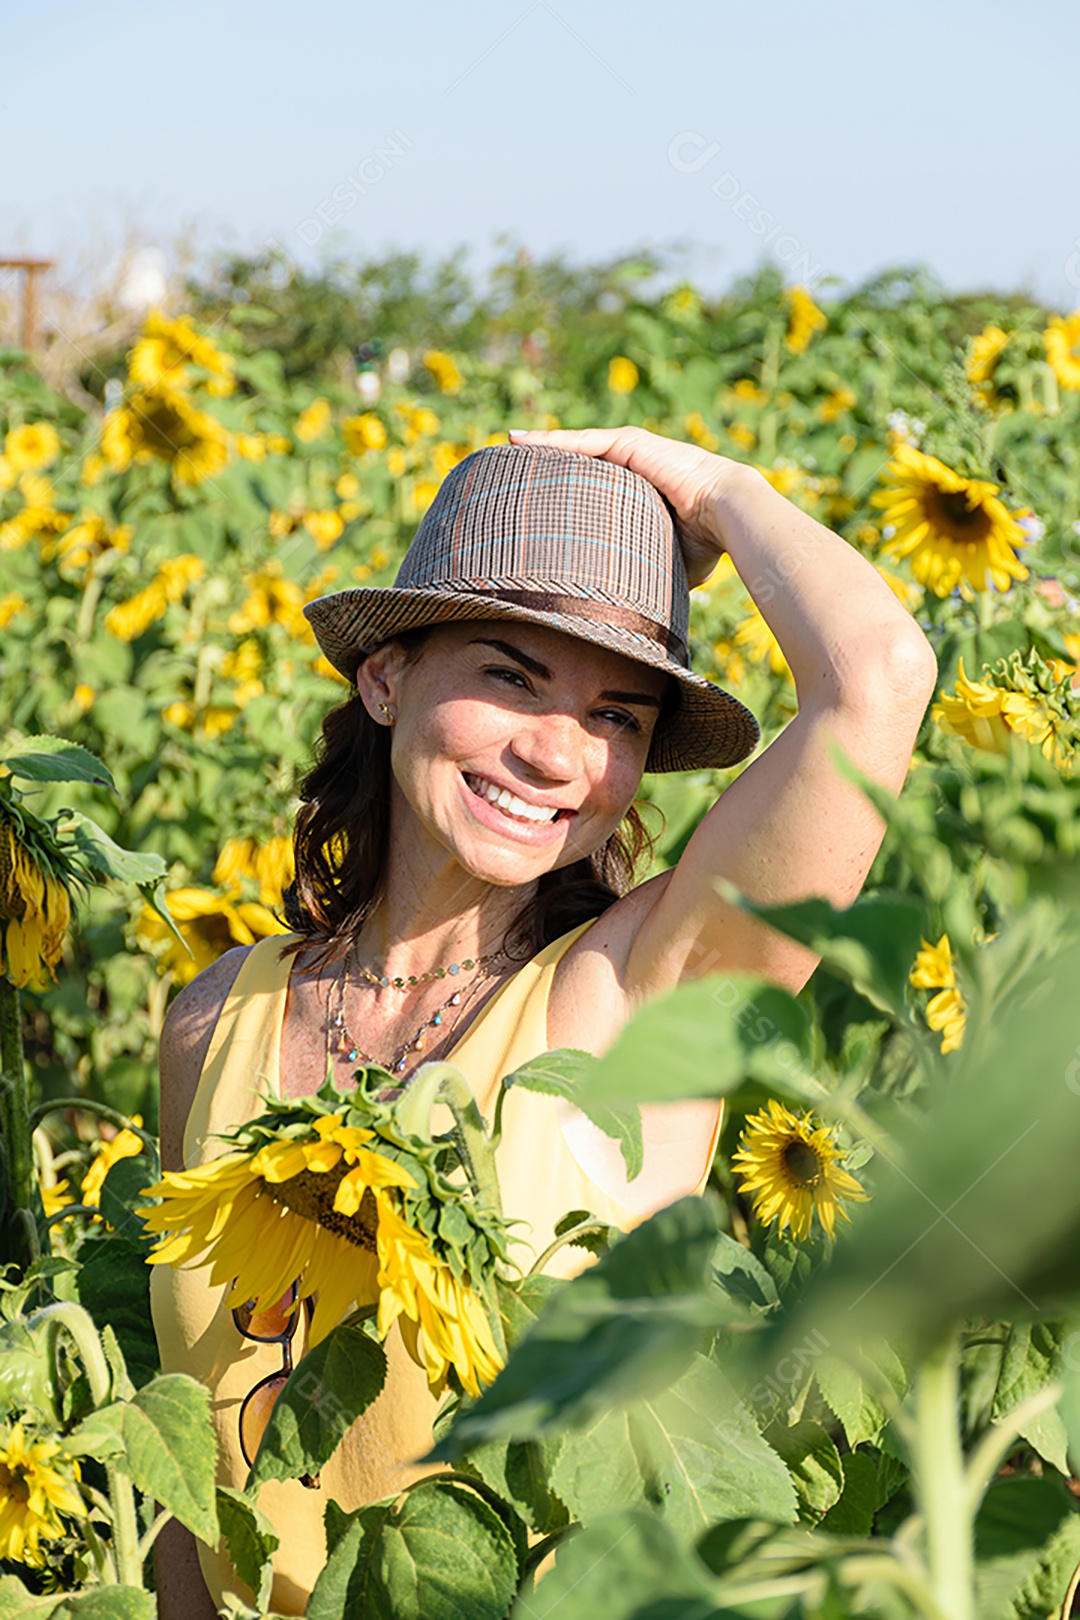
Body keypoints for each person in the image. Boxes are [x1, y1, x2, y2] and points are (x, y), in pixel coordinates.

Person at [152, 428, 938, 1616]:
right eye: (512, 677)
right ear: (385, 677)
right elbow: (194, 1481)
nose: (559, 753)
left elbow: (877, 679)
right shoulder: (218, 1018)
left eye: (618, 718)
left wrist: (720, 491)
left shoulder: (633, 995)